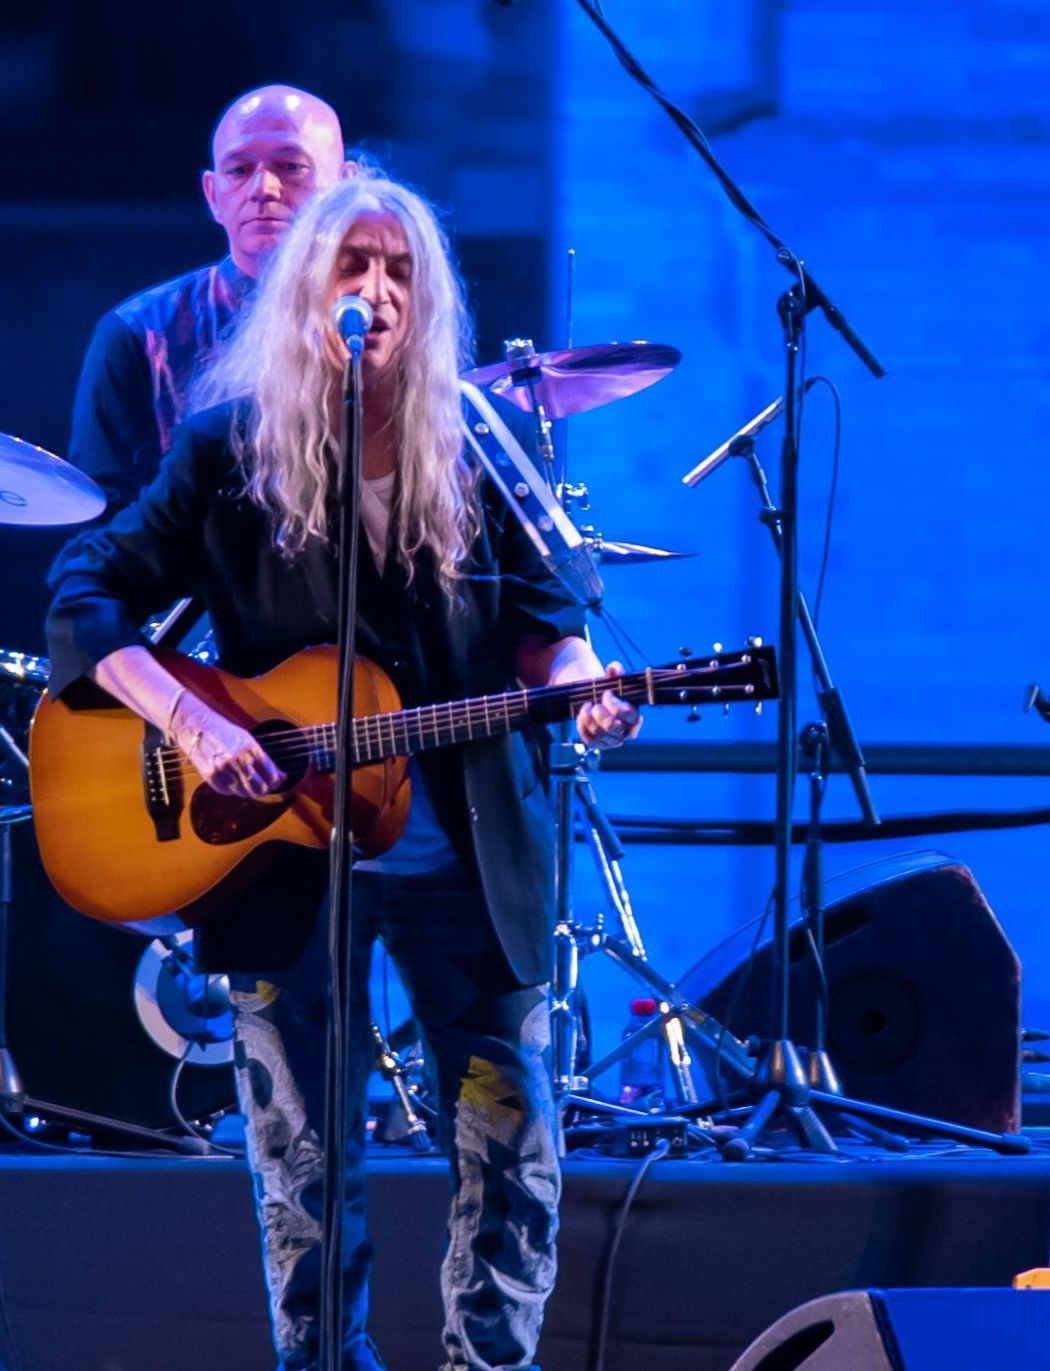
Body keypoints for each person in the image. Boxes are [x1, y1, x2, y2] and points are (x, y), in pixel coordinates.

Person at [47, 174, 640, 1370]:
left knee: (509, 1133)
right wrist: (191, 720)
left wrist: (584, 682)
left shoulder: (480, 442)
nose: (376, 289)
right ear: (306, 290)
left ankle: (490, 1363)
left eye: (400, 269)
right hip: (275, 849)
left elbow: (550, 622)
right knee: (303, 1153)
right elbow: (86, 589)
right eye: (353, 265)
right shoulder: (227, 448)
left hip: (464, 839)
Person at [69, 84, 354, 514]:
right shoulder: (139, 335)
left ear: (345, 186)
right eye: (238, 170)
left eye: (291, 166)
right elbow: (101, 520)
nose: (263, 188)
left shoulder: (385, 324)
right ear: (212, 194)